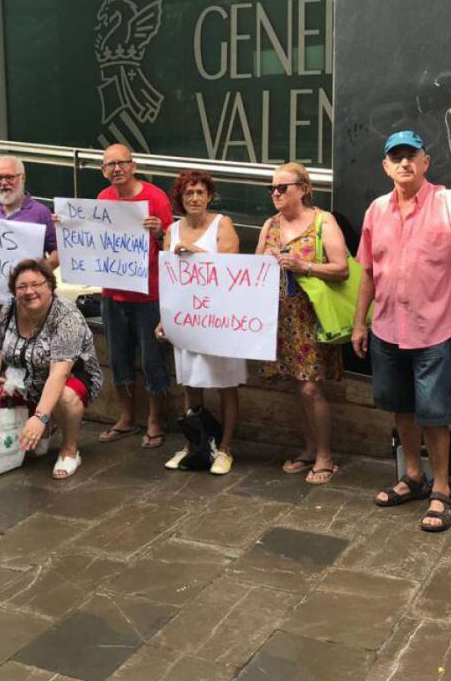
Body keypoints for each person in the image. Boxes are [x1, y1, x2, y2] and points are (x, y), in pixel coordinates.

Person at [352, 130, 451, 533]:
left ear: (426, 162)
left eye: (412, 156)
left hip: (435, 329)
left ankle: (441, 489)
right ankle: (413, 476)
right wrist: (360, 321)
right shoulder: (376, 210)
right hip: (388, 328)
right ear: (386, 166)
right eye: (397, 157)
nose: (405, 163)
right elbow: (368, 273)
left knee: (436, 413)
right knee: (402, 407)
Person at [255, 163, 349, 483]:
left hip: (311, 318)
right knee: (297, 387)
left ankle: (325, 455)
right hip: (281, 318)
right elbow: (255, 268)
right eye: (272, 189)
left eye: (283, 188)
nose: (276, 194)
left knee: (310, 388)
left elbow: (341, 268)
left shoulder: (323, 221)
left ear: (304, 189)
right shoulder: (270, 225)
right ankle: (309, 449)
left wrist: (302, 265)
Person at [156, 170, 244, 474]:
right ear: (181, 198)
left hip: (219, 318)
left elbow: (231, 267)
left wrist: (194, 250)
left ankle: (225, 448)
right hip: (187, 317)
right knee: (190, 383)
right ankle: (195, 444)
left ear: (209, 197)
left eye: (200, 193)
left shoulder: (223, 225)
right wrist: (163, 319)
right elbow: (170, 280)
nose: (194, 198)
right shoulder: (172, 230)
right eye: (189, 193)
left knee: (225, 384)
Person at [0, 259, 102, 479]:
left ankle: (69, 449)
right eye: (22, 287)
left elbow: (59, 373)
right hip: (24, 375)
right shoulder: (10, 307)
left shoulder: (66, 316)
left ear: (50, 285)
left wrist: (39, 417)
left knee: (65, 397)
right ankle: (44, 428)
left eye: (36, 284)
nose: (29, 291)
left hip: (70, 375)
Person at [94, 144, 172, 449]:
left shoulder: (155, 197)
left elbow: (171, 245)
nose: (116, 169)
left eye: (121, 163)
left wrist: (158, 232)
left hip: (149, 294)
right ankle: (126, 417)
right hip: (113, 293)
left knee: (153, 359)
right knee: (118, 357)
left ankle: (154, 420)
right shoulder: (103, 199)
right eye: (109, 165)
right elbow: (94, 238)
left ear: (133, 165)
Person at [0, 155, 59, 346]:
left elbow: (57, 252)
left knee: (32, 351)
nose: (3, 183)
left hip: (30, 298)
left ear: (22, 178)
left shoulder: (41, 212)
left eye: (9, 177)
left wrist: (37, 277)